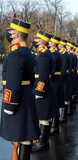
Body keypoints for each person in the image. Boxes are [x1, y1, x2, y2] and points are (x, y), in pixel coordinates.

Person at [0, 13, 40, 160]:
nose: (8, 34)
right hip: (25, 95)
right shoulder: (27, 53)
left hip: (17, 98)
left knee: (21, 133)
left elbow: (12, 82)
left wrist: (9, 105)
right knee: (25, 133)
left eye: (10, 32)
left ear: (16, 34)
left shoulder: (16, 54)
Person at [32, 27, 59, 152]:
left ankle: (43, 143)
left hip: (43, 89)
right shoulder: (44, 53)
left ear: (42, 41)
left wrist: (39, 91)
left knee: (44, 116)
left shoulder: (43, 55)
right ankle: (43, 141)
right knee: (44, 116)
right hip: (46, 87)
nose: (35, 40)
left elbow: (43, 76)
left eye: (37, 39)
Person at [48, 34, 64, 135]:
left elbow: (52, 70)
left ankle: (54, 126)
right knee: (56, 103)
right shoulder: (57, 53)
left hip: (54, 80)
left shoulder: (54, 54)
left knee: (54, 103)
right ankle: (55, 125)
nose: (48, 43)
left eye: (50, 42)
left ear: (54, 43)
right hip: (57, 79)